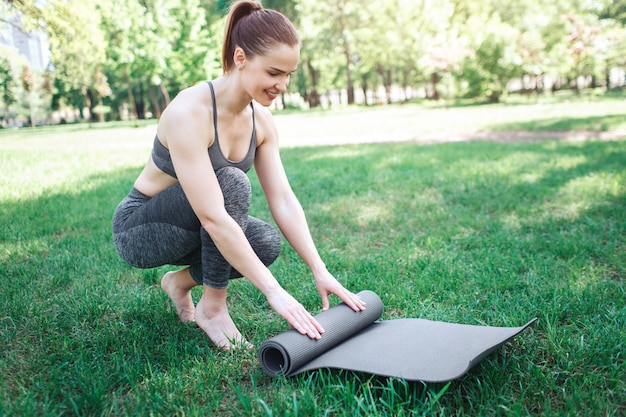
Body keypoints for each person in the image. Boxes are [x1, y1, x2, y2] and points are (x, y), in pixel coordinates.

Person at [112, 0, 365, 350]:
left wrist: (320, 270)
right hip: (140, 229)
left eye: (288, 75)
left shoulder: (261, 122)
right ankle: (213, 309)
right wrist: (275, 292)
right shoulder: (189, 113)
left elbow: (283, 200)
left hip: (198, 221)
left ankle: (179, 283)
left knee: (264, 242)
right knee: (231, 183)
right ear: (241, 58)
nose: (283, 86)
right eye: (274, 73)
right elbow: (213, 217)